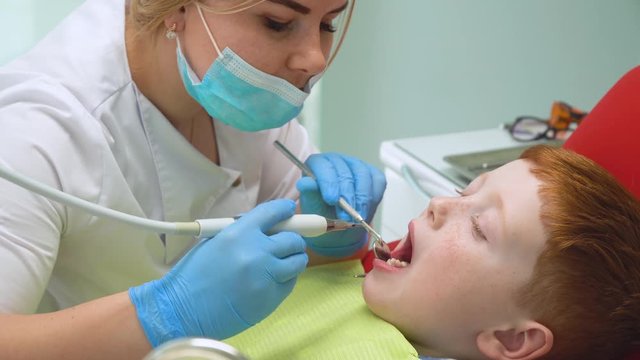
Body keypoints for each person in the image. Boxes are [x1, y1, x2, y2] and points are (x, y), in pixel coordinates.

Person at [0, 0, 386, 358]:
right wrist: (164, 315)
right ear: (178, 8)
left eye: (327, 23)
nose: (315, 59)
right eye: (278, 23)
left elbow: (268, 260)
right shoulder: (38, 131)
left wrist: (324, 240)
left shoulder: (241, 90)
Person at [223, 145, 640, 360]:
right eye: (466, 190)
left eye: (479, 228)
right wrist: (327, 255)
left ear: (512, 338)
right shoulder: (377, 291)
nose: (441, 203)